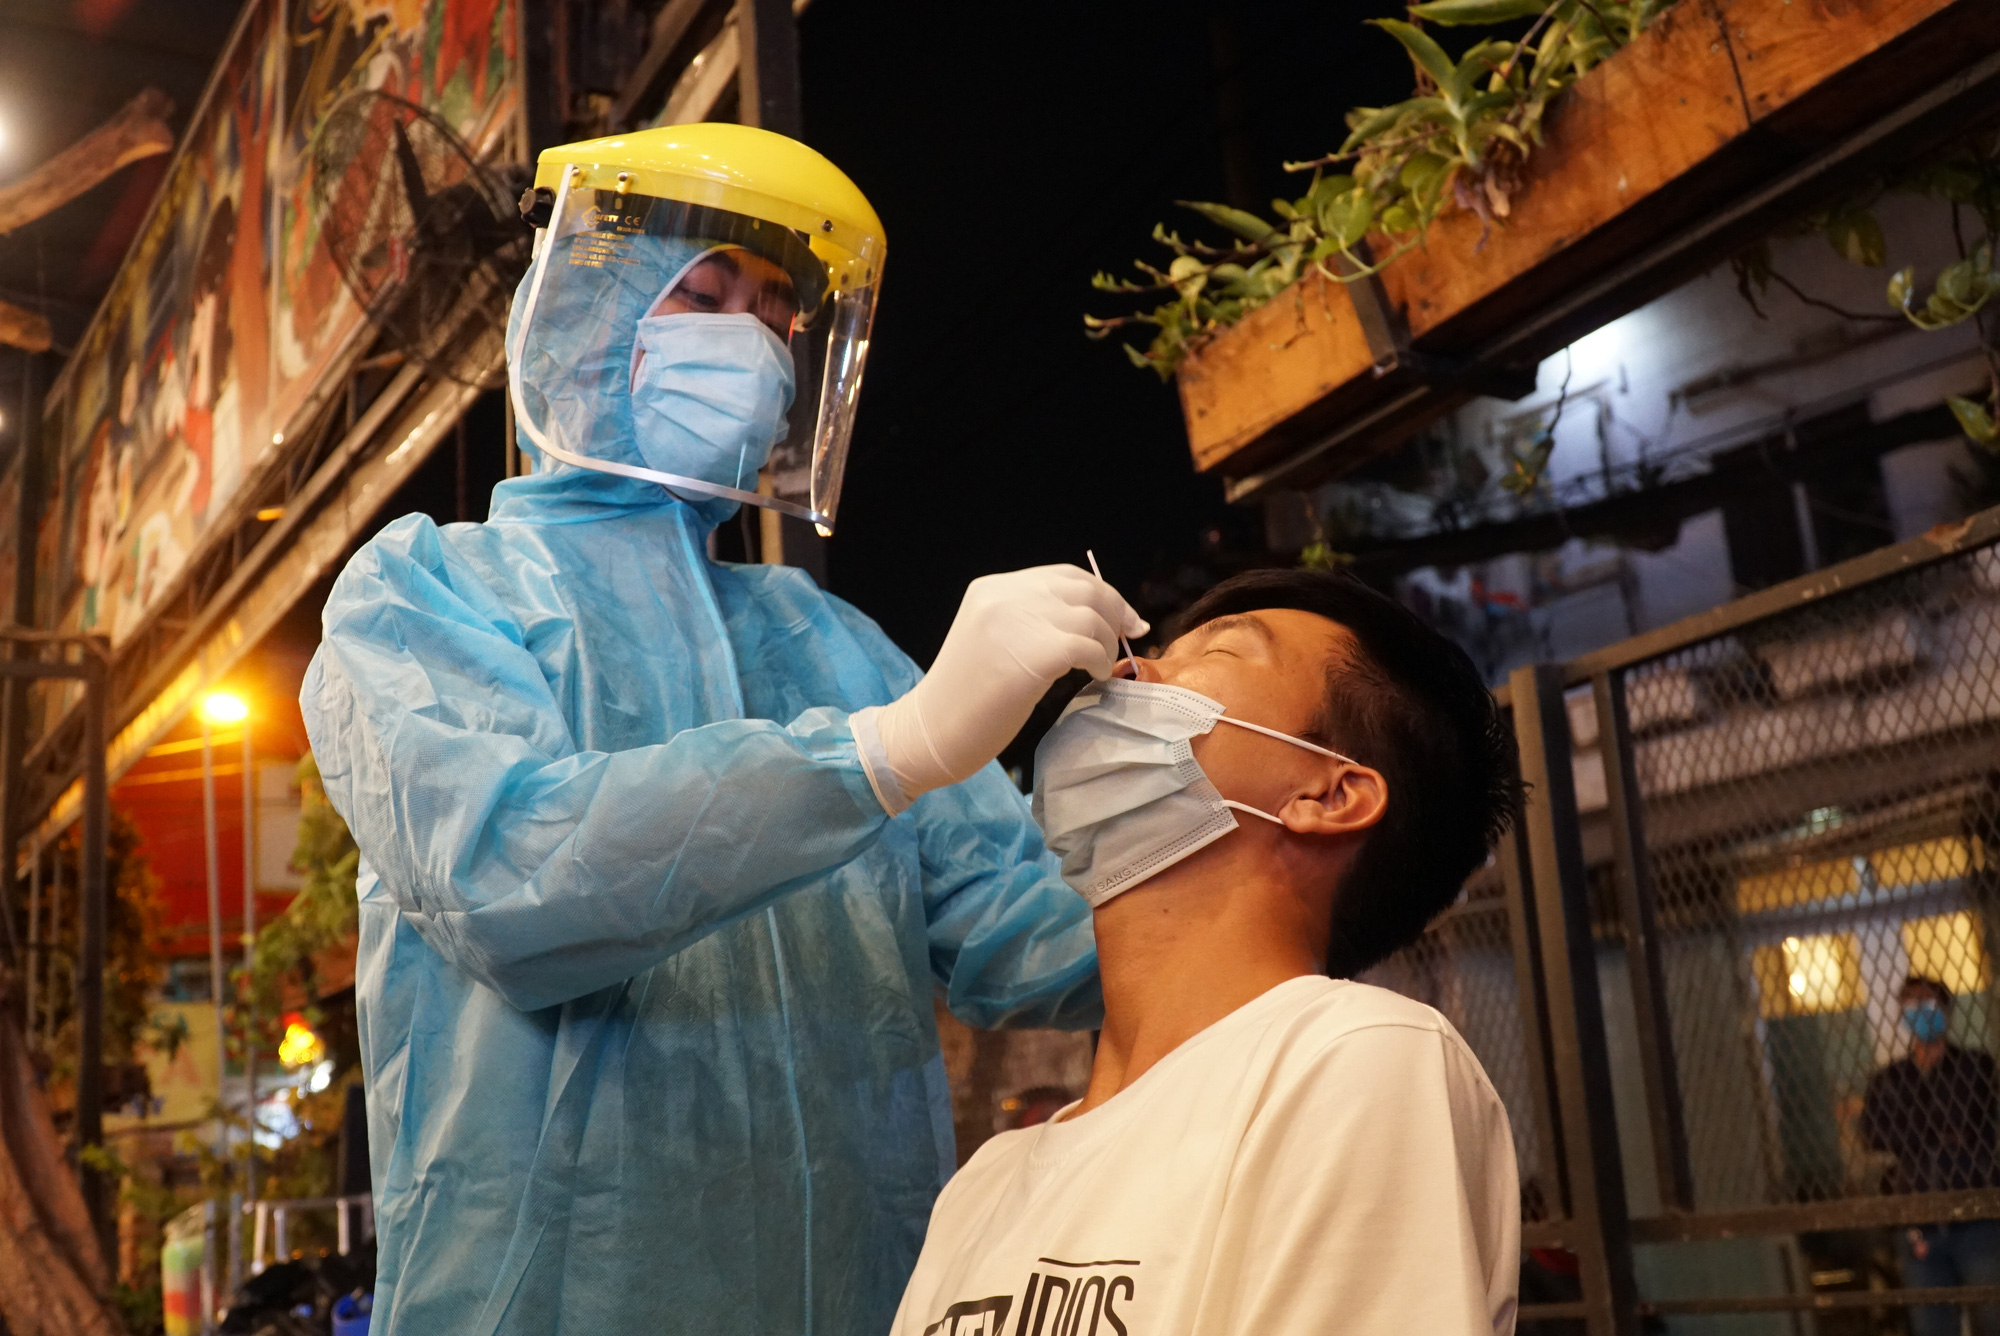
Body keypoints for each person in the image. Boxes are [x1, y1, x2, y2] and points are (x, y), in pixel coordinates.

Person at [300, 123, 1146, 1336]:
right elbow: (512, 878)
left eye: (773, 318)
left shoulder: (827, 643)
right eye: (701, 295)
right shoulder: (425, 595)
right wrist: (880, 754)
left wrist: (1210, 817)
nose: (745, 343)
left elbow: (1033, 941)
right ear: (587, 324)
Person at [892, 567, 1524, 1336]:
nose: (1129, 669)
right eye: (1156, 650)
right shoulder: (984, 1188)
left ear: (1330, 795)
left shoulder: (1350, 1057)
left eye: (1213, 657)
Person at [1860, 974, 2000, 1336]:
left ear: (1945, 1010)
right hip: (1918, 1213)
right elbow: (1874, 1132)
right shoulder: (1892, 1079)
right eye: (1909, 1005)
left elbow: (1984, 1125)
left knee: (1993, 1313)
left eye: (1925, 1003)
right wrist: (1940, 1132)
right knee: (1932, 1324)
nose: (1917, 1012)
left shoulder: (1974, 1067)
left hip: (1973, 1210)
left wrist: (1917, 1131)